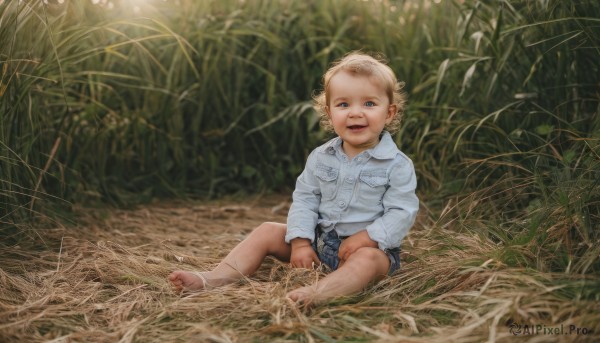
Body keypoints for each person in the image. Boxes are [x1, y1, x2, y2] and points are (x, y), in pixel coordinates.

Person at [169, 51, 419, 306]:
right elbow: (305, 200)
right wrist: (300, 243)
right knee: (267, 230)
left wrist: (368, 237)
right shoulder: (321, 157)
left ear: (389, 113)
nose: (355, 113)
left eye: (369, 104)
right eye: (343, 104)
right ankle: (214, 278)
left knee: (367, 260)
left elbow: (402, 212)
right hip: (321, 244)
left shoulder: (397, 165)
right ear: (329, 113)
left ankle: (317, 293)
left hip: (371, 250)